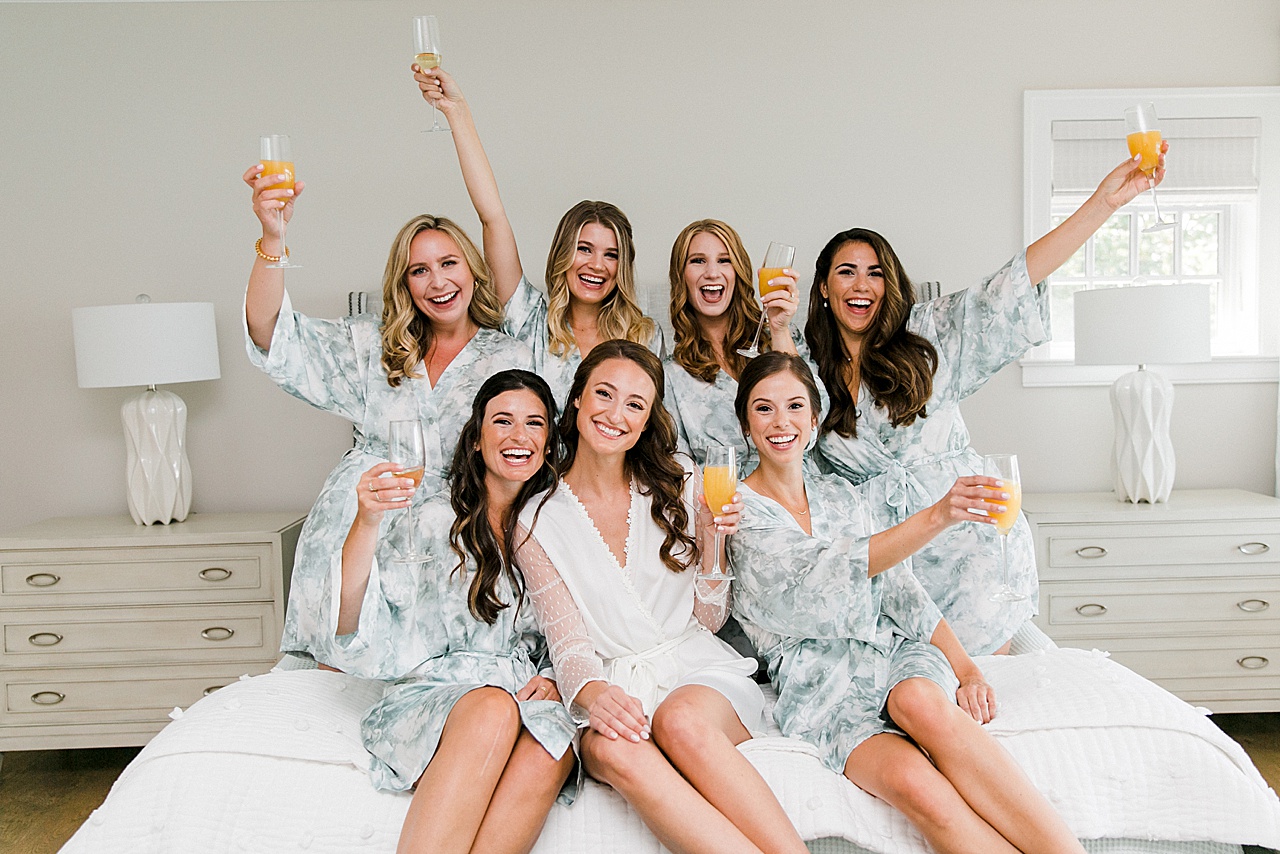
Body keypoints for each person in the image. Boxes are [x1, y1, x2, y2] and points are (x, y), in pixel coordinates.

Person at [805, 148, 1169, 654]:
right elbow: (781, 431)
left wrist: (1103, 204)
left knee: (1000, 692)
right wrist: (777, 327)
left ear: (890, 287)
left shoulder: (929, 333)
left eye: (875, 272)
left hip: (961, 544)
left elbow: (1013, 283)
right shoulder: (803, 363)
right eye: (846, 272)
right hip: (879, 555)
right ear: (823, 288)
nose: (861, 285)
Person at [728, 352, 1087, 854]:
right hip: (820, 688)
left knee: (919, 701)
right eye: (764, 408)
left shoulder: (840, 495)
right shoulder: (739, 513)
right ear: (746, 423)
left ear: (813, 421)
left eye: (794, 406)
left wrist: (967, 669)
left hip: (891, 650)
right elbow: (826, 569)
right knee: (922, 791)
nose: (781, 421)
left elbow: (898, 587)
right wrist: (937, 515)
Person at [242, 85, 532, 664]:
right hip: (364, 513)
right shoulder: (376, 345)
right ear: (404, 285)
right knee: (333, 657)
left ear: (473, 271)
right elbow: (272, 332)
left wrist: (456, 113)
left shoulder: (508, 356)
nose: (437, 281)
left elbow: (492, 216)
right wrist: (274, 239)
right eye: (419, 271)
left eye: (449, 263)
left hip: (454, 521)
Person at [513, 341, 808, 854]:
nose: (615, 414)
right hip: (609, 683)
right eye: (604, 394)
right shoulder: (536, 519)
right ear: (578, 399)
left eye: (635, 404)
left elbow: (709, 620)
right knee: (617, 753)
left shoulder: (683, 480)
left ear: (648, 419)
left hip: (695, 673)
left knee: (678, 719)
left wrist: (715, 539)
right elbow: (567, 642)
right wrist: (590, 694)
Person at [332, 369, 575, 854]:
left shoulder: (558, 525)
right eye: (502, 421)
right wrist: (366, 522)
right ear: (478, 440)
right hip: (436, 692)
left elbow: (575, 630)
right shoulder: (431, 515)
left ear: (548, 444)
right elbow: (353, 619)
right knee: (490, 708)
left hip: (520, 692)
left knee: (557, 737)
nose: (518, 436)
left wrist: (553, 675)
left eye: (534, 423)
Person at [415, 66, 662, 406]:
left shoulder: (644, 335)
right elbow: (492, 218)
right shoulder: (529, 321)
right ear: (563, 254)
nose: (597, 265)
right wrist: (457, 113)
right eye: (584, 249)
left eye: (611, 254)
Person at [664, 219, 802, 475]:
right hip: (729, 506)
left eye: (724, 260)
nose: (712, 273)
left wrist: (779, 329)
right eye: (697, 261)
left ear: (738, 271)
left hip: (796, 493)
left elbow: (815, 420)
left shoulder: (778, 335)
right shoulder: (671, 377)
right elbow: (678, 467)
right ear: (680, 275)